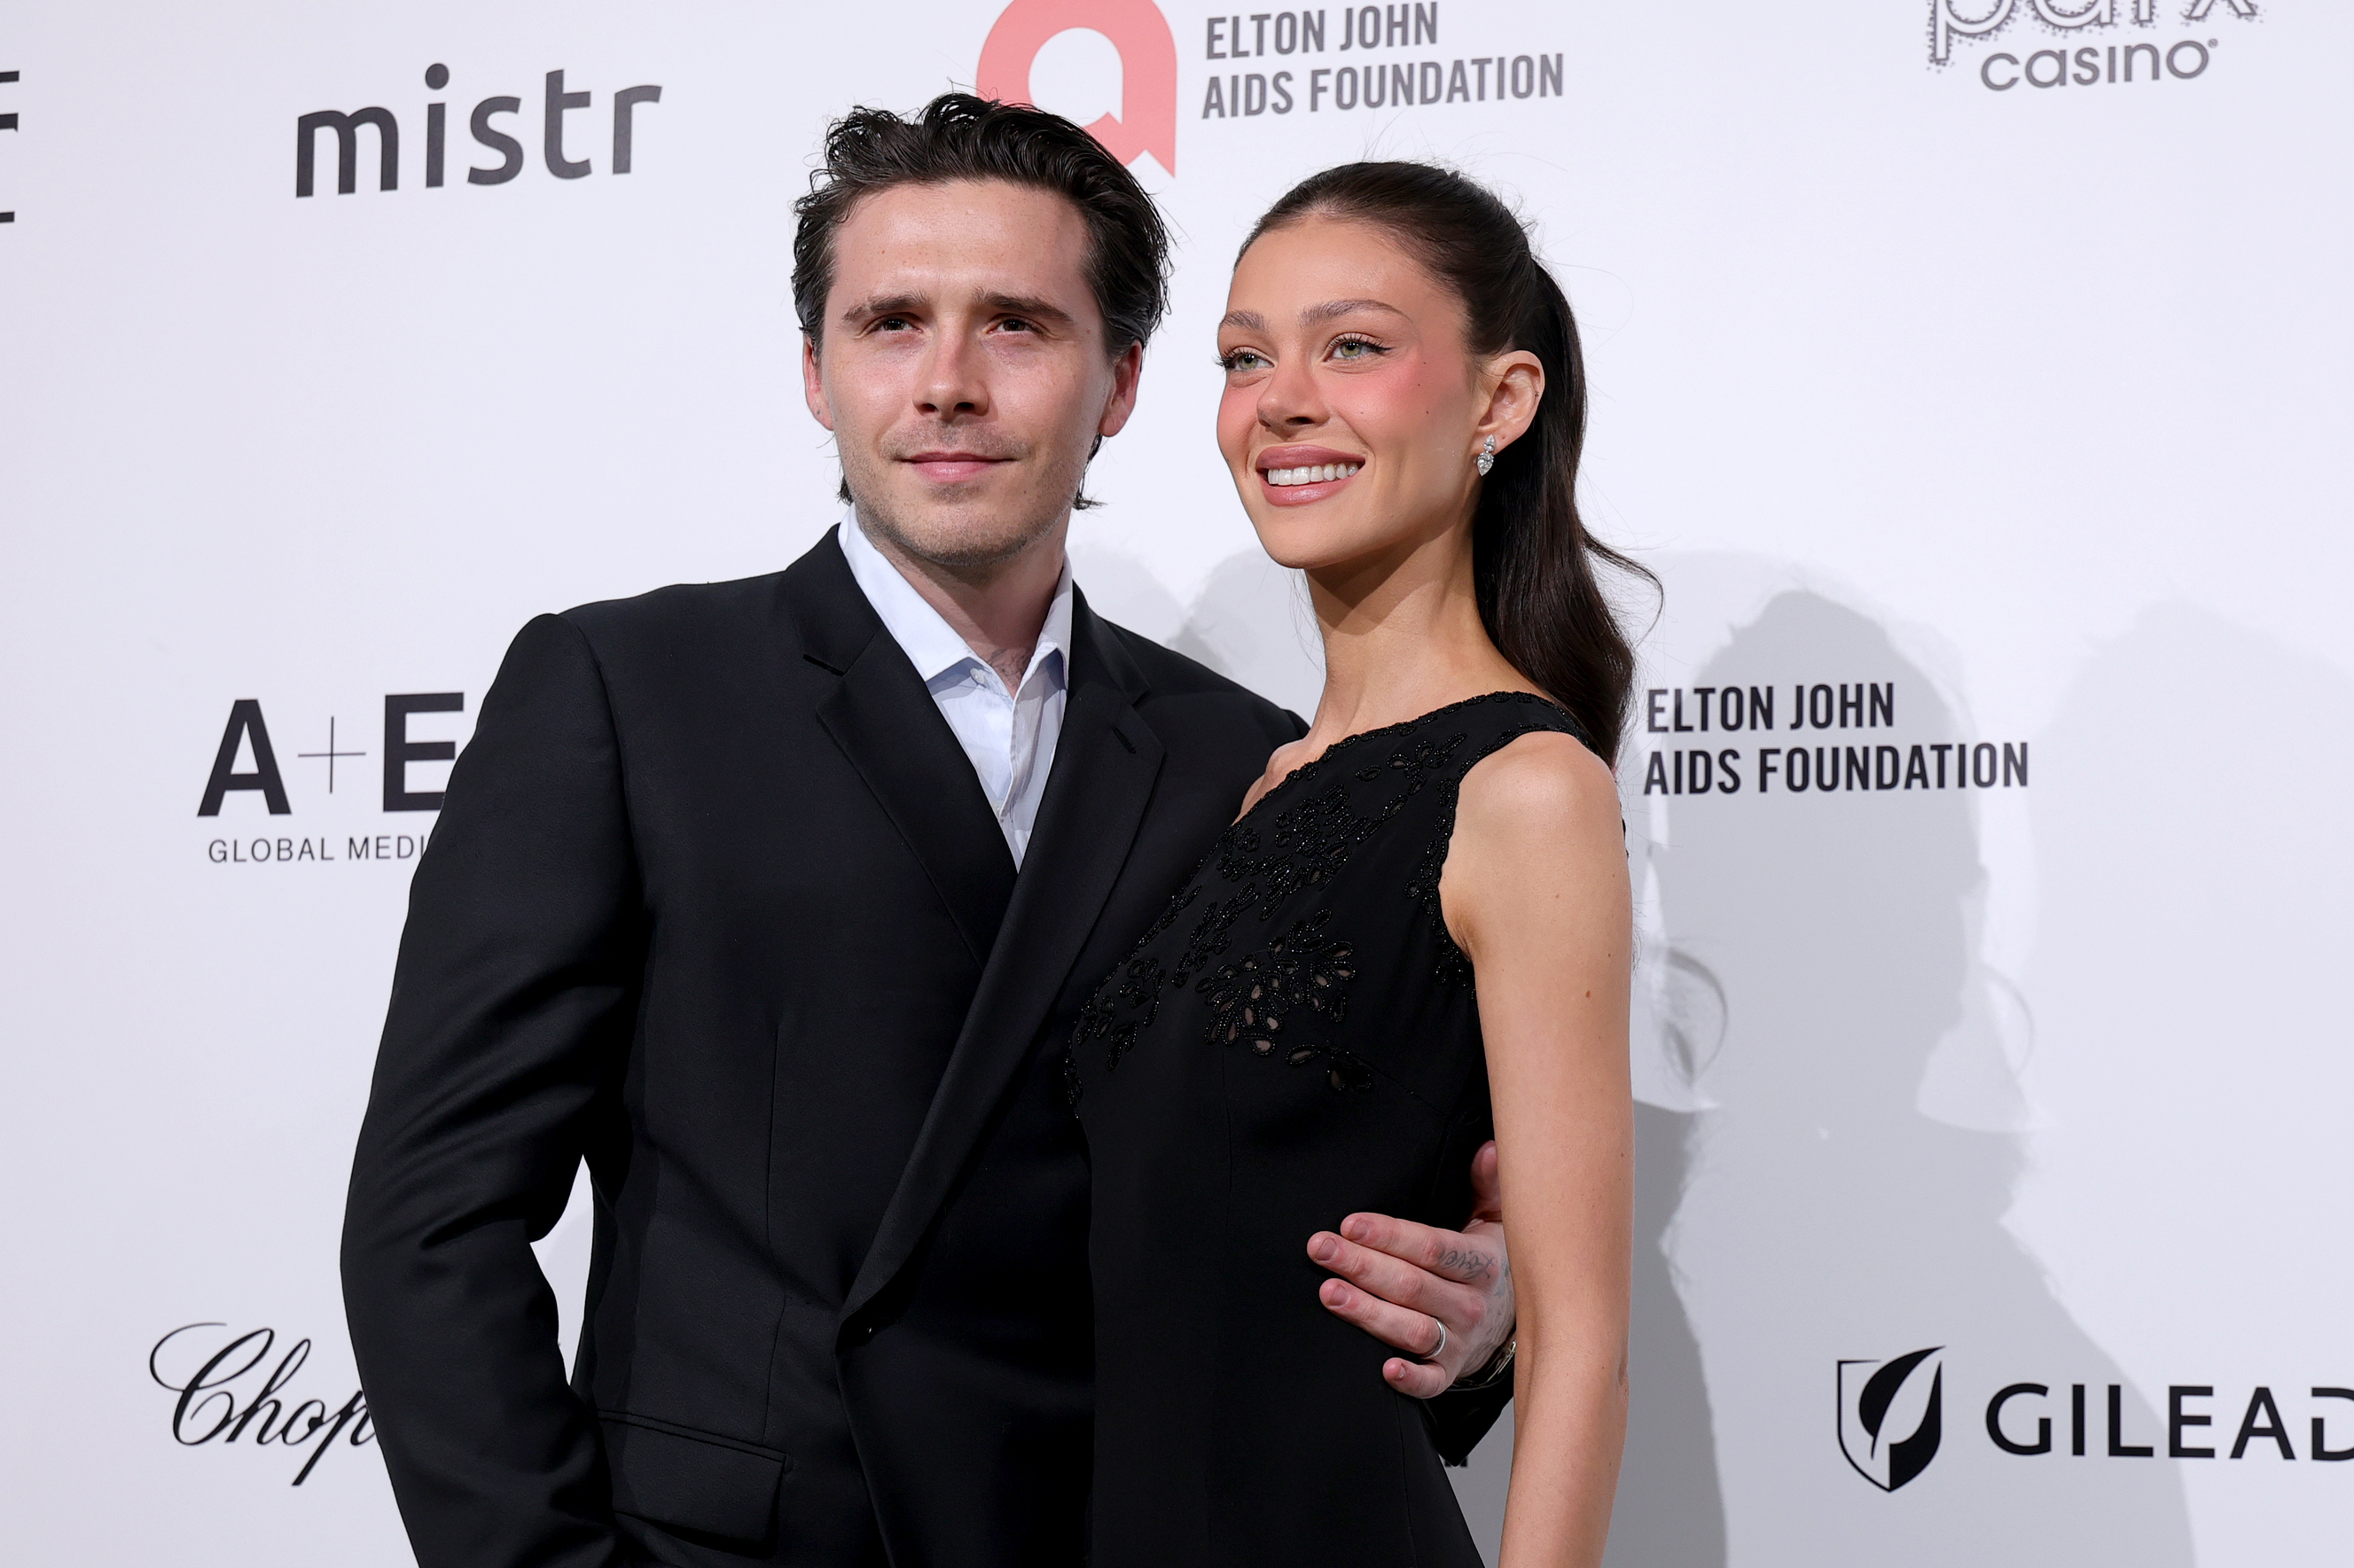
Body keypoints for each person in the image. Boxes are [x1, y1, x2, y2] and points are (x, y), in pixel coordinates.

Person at [340, 98, 1519, 1568]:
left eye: (1016, 325)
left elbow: (1328, 1213)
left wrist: (1483, 1316)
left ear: (1122, 381)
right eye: (892, 322)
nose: (948, 383)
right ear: (818, 377)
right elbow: (430, 1221)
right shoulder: (628, 694)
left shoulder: (1242, 757)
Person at [1067, 162, 1640, 1567]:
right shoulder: (1257, 782)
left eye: (1356, 346)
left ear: (1500, 402)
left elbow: (1578, 1341)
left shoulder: (1529, 790)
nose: (1281, 399)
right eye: (1245, 356)